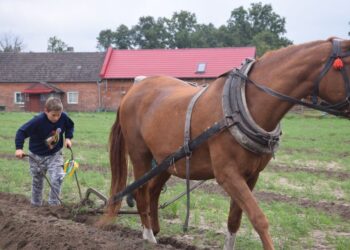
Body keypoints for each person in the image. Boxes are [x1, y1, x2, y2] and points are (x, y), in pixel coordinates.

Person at [15, 97, 74, 206]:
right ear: (46, 111)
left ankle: (54, 205)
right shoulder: (38, 121)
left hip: (54, 154)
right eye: (53, 115)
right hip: (36, 156)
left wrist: (68, 138)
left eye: (59, 114)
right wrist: (19, 148)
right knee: (38, 181)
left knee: (58, 177)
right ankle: (36, 206)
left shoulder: (64, 117)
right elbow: (21, 132)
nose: (56, 118)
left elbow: (70, 126)